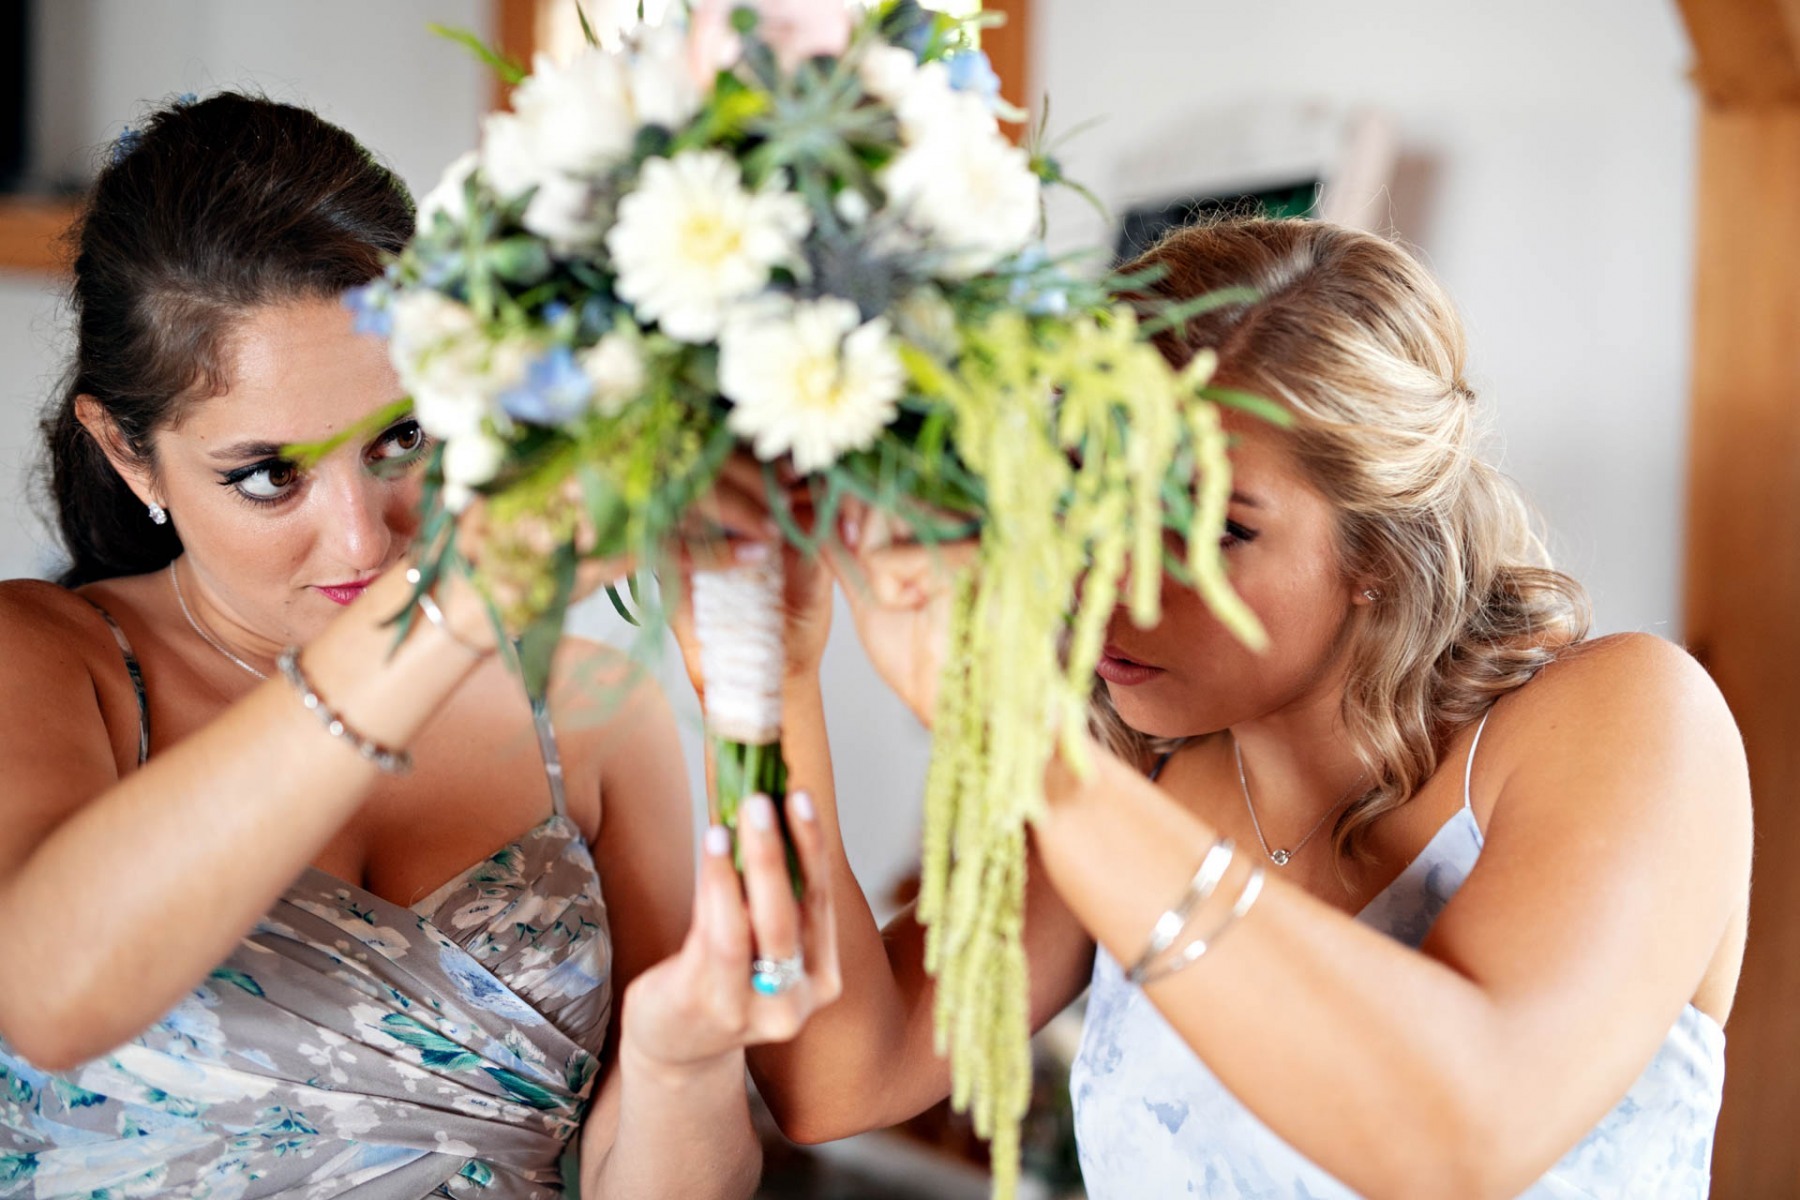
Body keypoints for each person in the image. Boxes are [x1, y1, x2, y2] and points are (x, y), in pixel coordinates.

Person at [745, 218, 1751, 1198]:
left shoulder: (1630, 720)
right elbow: (839, 1077)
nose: (1114, 582)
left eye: (1210, 525)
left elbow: (1458, 1140)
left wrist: (1029, 748)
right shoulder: (1133, 773)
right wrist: (770, 675)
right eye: (1086, 499)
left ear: (1374, 545)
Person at [0, 92, 839, 1199]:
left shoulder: (590, 715)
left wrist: (683, 1061)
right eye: (268, 474)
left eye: (402, 437)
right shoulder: (51, 662)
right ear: (129, 453)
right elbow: (49, 998)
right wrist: (446, 612)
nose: (364, 535)